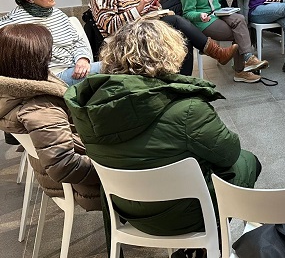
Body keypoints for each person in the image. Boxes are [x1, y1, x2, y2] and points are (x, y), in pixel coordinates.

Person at [64, 19, 261, 237]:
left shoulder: (88, 106)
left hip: (128, 210)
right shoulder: (189, 109)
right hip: (185, 215)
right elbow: (229, 153)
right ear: (171, 52)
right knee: (247, 160)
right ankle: (236, 240)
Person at [0, 24, 101, 212]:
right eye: (48, 51)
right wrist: (114, 170)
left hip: (57, 175)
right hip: (90, 187)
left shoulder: (10, 94)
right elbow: (63, 165)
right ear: (34, 60)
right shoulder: (41, 106)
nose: (51, 56)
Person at [91, 0, 238, 77]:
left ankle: (184, 81)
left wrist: (156, 6)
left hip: (148, 26)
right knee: (176, 20)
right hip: (127, 38)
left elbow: (148, 2)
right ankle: (216, 52)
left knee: (183, 35)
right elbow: (110, 27)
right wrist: (138, 10)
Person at [178, 0, 268, 83]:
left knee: (240, 19)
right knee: (239, 33)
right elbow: (187, 12)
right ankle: (242, 69)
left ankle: (247, 61)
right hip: (204, 21)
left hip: (218, 13)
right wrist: (199, 15)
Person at [0, 0, 100, 86]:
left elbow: (78, 42)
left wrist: (83, 59)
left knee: (119, 65)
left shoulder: (58, 14)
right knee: (116, 66)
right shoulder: (12, 24)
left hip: (76, 68)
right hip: (52, 78)